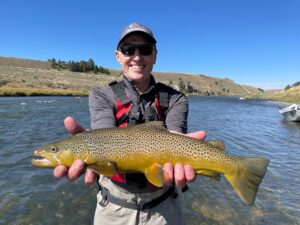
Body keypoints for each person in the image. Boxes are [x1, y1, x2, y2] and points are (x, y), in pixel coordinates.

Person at [54, 23, 206, 225]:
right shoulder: (101, 95)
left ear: (154, 56)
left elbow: (174, 136)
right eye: (128, 50)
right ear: (118, 56)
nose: (137, 56)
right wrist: (88, 151)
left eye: (145, 49)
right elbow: (103, 133)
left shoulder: (176, 98)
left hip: (165, 207)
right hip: (114, 207)